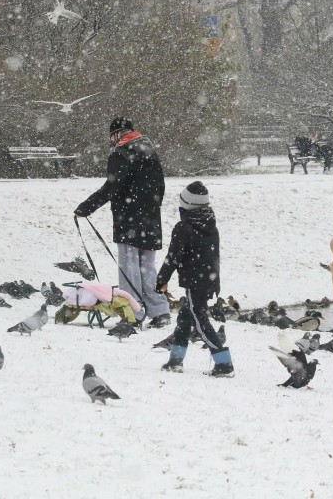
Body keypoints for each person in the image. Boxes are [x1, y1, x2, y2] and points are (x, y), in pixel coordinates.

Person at [74, 117, 171, 327]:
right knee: (148, 268)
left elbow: (112, 186)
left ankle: (132, 313)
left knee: (129, 269)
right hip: (151, 218)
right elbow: (160, 186)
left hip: (129, 218)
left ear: (117, 133)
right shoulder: (150, 151)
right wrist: (152, 209)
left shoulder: (121, 153)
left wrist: (86, 207)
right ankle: (160, 311)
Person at [157, 181, 233, 377]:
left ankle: (224, 363)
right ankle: (175, 361)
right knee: (184, 319)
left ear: (187, 205)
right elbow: (212, 256)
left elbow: (173, 257)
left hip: (195, 281)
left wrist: (162, 280)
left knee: (199, 322)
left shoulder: (184, 227)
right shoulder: (210, 225)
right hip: (209, 279)